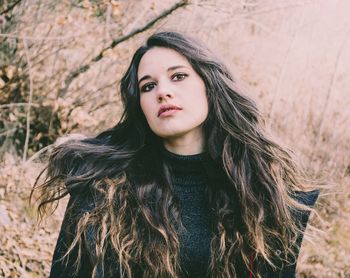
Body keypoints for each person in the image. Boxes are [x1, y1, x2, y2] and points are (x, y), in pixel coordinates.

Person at [33, 31, 320, 278]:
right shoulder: (101, 184)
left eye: (178, 76)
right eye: (148, 86)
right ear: (140, 105)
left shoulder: (265, 192)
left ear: (211, 85)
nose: (163, 92)